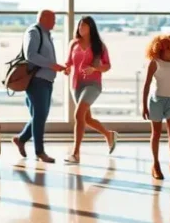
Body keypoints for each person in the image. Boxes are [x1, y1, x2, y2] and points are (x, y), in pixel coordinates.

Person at [12, 10, 65, 164]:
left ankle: (21, 139)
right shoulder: (33, 32)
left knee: (40, 116)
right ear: (43, 19)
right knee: (40, 115)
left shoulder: (47, 34)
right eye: (53, 19)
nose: (55, 22)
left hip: (47, 81)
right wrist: (52, 65)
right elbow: (31, 55)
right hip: (37, 81)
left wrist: (57, 67)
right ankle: (39, 152)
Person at [63, 16, 117, 164]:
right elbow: (69, 62)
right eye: (80, 25)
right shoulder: (73, 43)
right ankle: (108, 135)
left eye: (84, 26)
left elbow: (107, 66)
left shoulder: (99, 46)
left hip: (93, 84)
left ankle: (75, 154)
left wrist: (94, 68)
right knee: (86, 119)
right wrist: (67, 69)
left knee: (79, 114)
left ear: (91, 28)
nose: (81, 28)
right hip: (76, 84)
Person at [141, 34, 170, 180]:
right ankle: (155, 164)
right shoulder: (155, 62)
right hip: (157, 101)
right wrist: (144, 106)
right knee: (156, 134)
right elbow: (147, 84)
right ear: (162, 47)